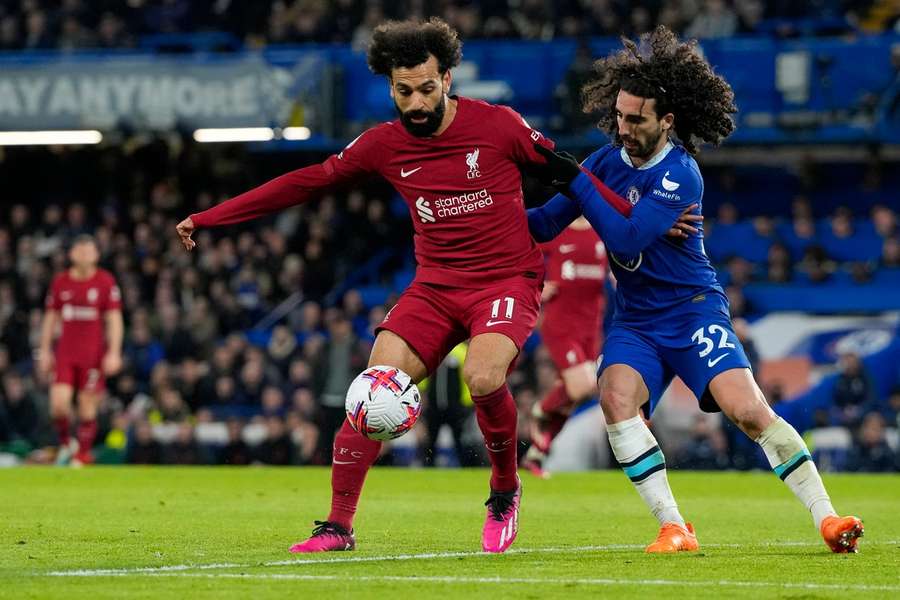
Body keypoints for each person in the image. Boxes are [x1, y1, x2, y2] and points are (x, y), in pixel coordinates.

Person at [178, 17, 692, 556]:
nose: (417, 102)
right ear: (390, 87)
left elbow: (571, 174)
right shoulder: (384, 144)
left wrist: (642, 215)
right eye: (404, 91)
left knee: (483, 376)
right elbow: (309, 180)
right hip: (435, 286)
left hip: (507, 279)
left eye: (427, 88)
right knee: (372, 387)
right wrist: (211, 217)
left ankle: (503, 492)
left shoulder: (498, 126)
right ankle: (336, 526)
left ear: (447, 78)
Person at [528, 25, 863, 554]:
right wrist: (486, 209)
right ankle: (674, 527)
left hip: (693, 312)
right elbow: (546, 225)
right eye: (618, 115)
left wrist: (578, 183)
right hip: (636, 322)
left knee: (749, 412)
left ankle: (827, 517)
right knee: (616, 399)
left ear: (667, 120)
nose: (623, 127)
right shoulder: (603, 164)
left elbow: (628, 235)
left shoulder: (681, 173)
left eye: (636, 119)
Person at [522, 217, 608, 478]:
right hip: (561, 323)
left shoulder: (604, 230)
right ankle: (540, 410)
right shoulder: (555, 229)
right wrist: (535, 288)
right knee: (583, 386)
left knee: (574, 397)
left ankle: (537, 454)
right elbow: (518, 254)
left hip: (591, 326)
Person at [37, 234, 123, 466]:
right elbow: (50, 318)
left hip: (93, 355)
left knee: (87, 406)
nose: (84, 254)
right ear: (71, 254)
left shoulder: (105, 281)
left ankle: (82, 455)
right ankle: (67, 444)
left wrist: (114, 352)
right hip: (65, 353)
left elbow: (114, 319)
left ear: (97, 254)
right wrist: (44, 350)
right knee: (58, 405)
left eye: (89, 250)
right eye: (80, 250)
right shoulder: (60, 281)